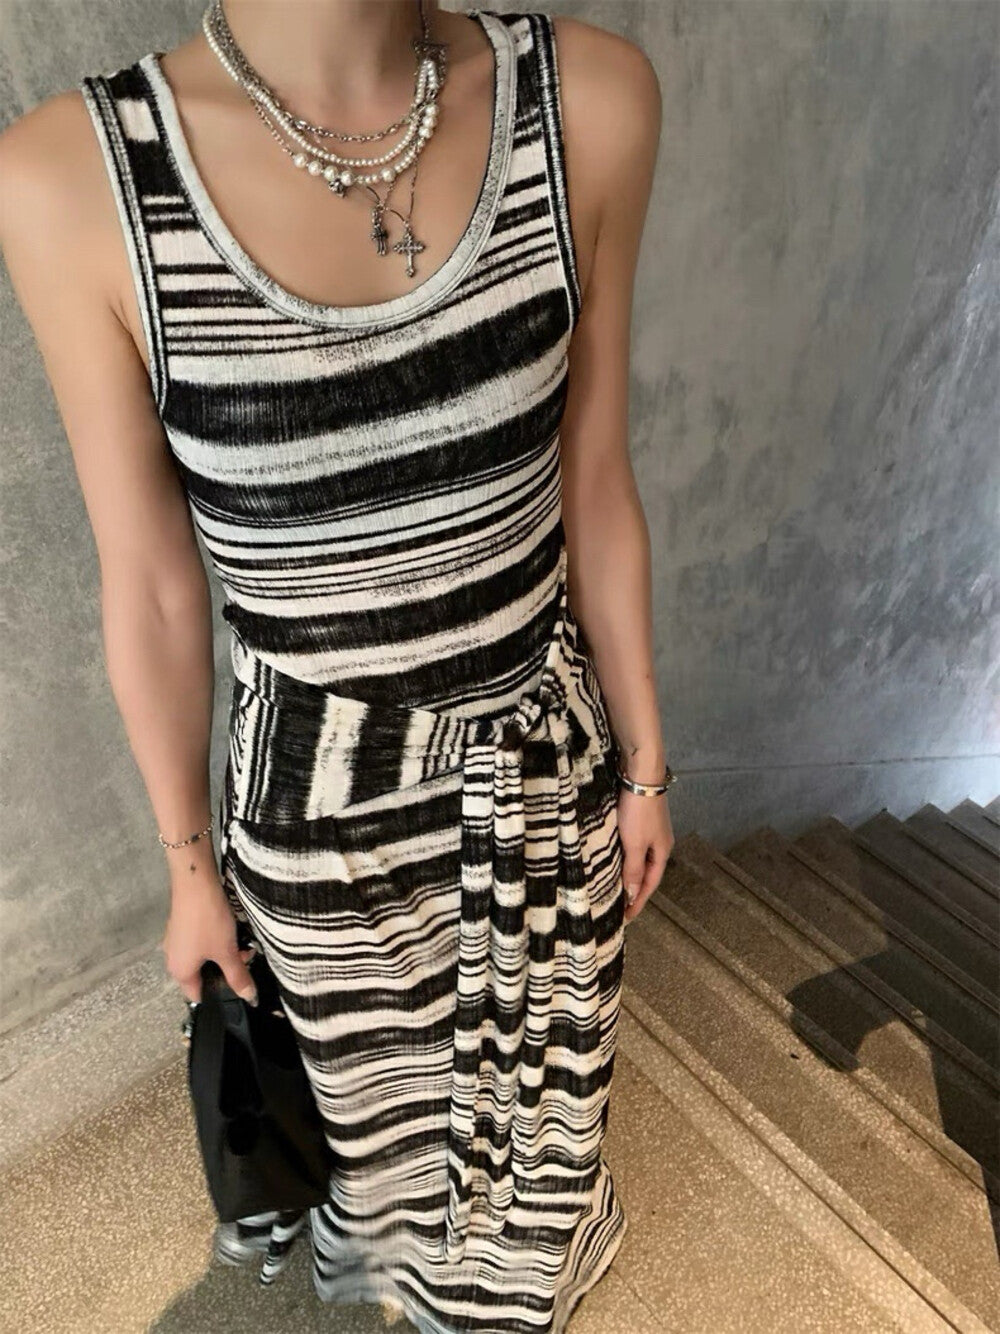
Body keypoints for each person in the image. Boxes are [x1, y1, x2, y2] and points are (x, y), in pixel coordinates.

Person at [0, 2, 671, 1329]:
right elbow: (150, 584)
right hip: (318, 820)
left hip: (550, 769)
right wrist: (188, 871)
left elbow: (594, 477)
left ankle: (529, 1278)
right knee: (386, 1131)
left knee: (551, 1091)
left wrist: (645, 761)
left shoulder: (587, 103)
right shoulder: (72, 180)